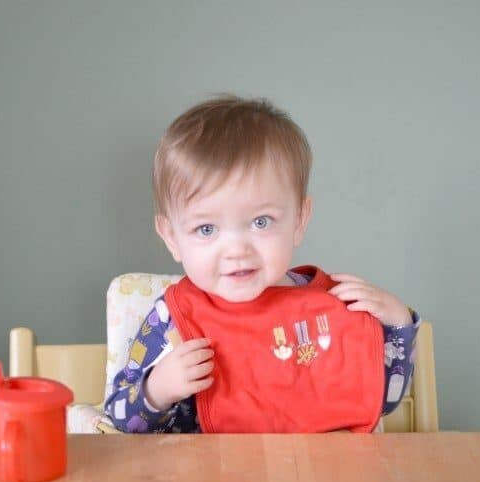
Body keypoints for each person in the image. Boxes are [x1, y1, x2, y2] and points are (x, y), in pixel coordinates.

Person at [104, 95, 420, 433]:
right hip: (213, 467)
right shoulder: (173, 319)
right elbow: (122, 417)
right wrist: (157, 390)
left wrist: (397, 326)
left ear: (299, 220)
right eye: (206, 229)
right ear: (171, 237)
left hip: (322, 466)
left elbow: (380, 399)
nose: (236, 250)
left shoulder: (332, 304)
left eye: (261, 222)